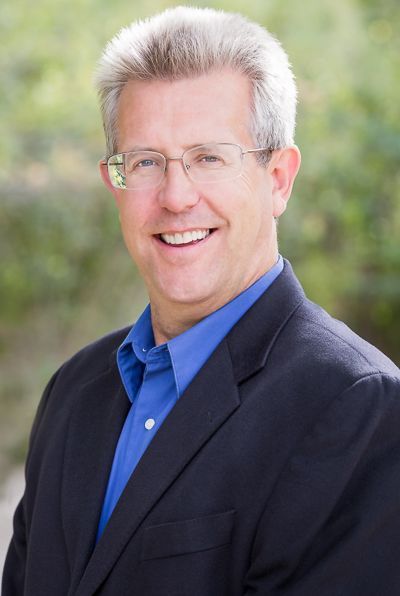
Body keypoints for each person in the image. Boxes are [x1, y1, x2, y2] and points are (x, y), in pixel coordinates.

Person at [3, 6, 400, 595]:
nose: (175, 196)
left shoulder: (357, 407)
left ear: (279, 179)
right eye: (145, 162)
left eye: (209, 158)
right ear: (116, 181)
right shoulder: (73, 391)